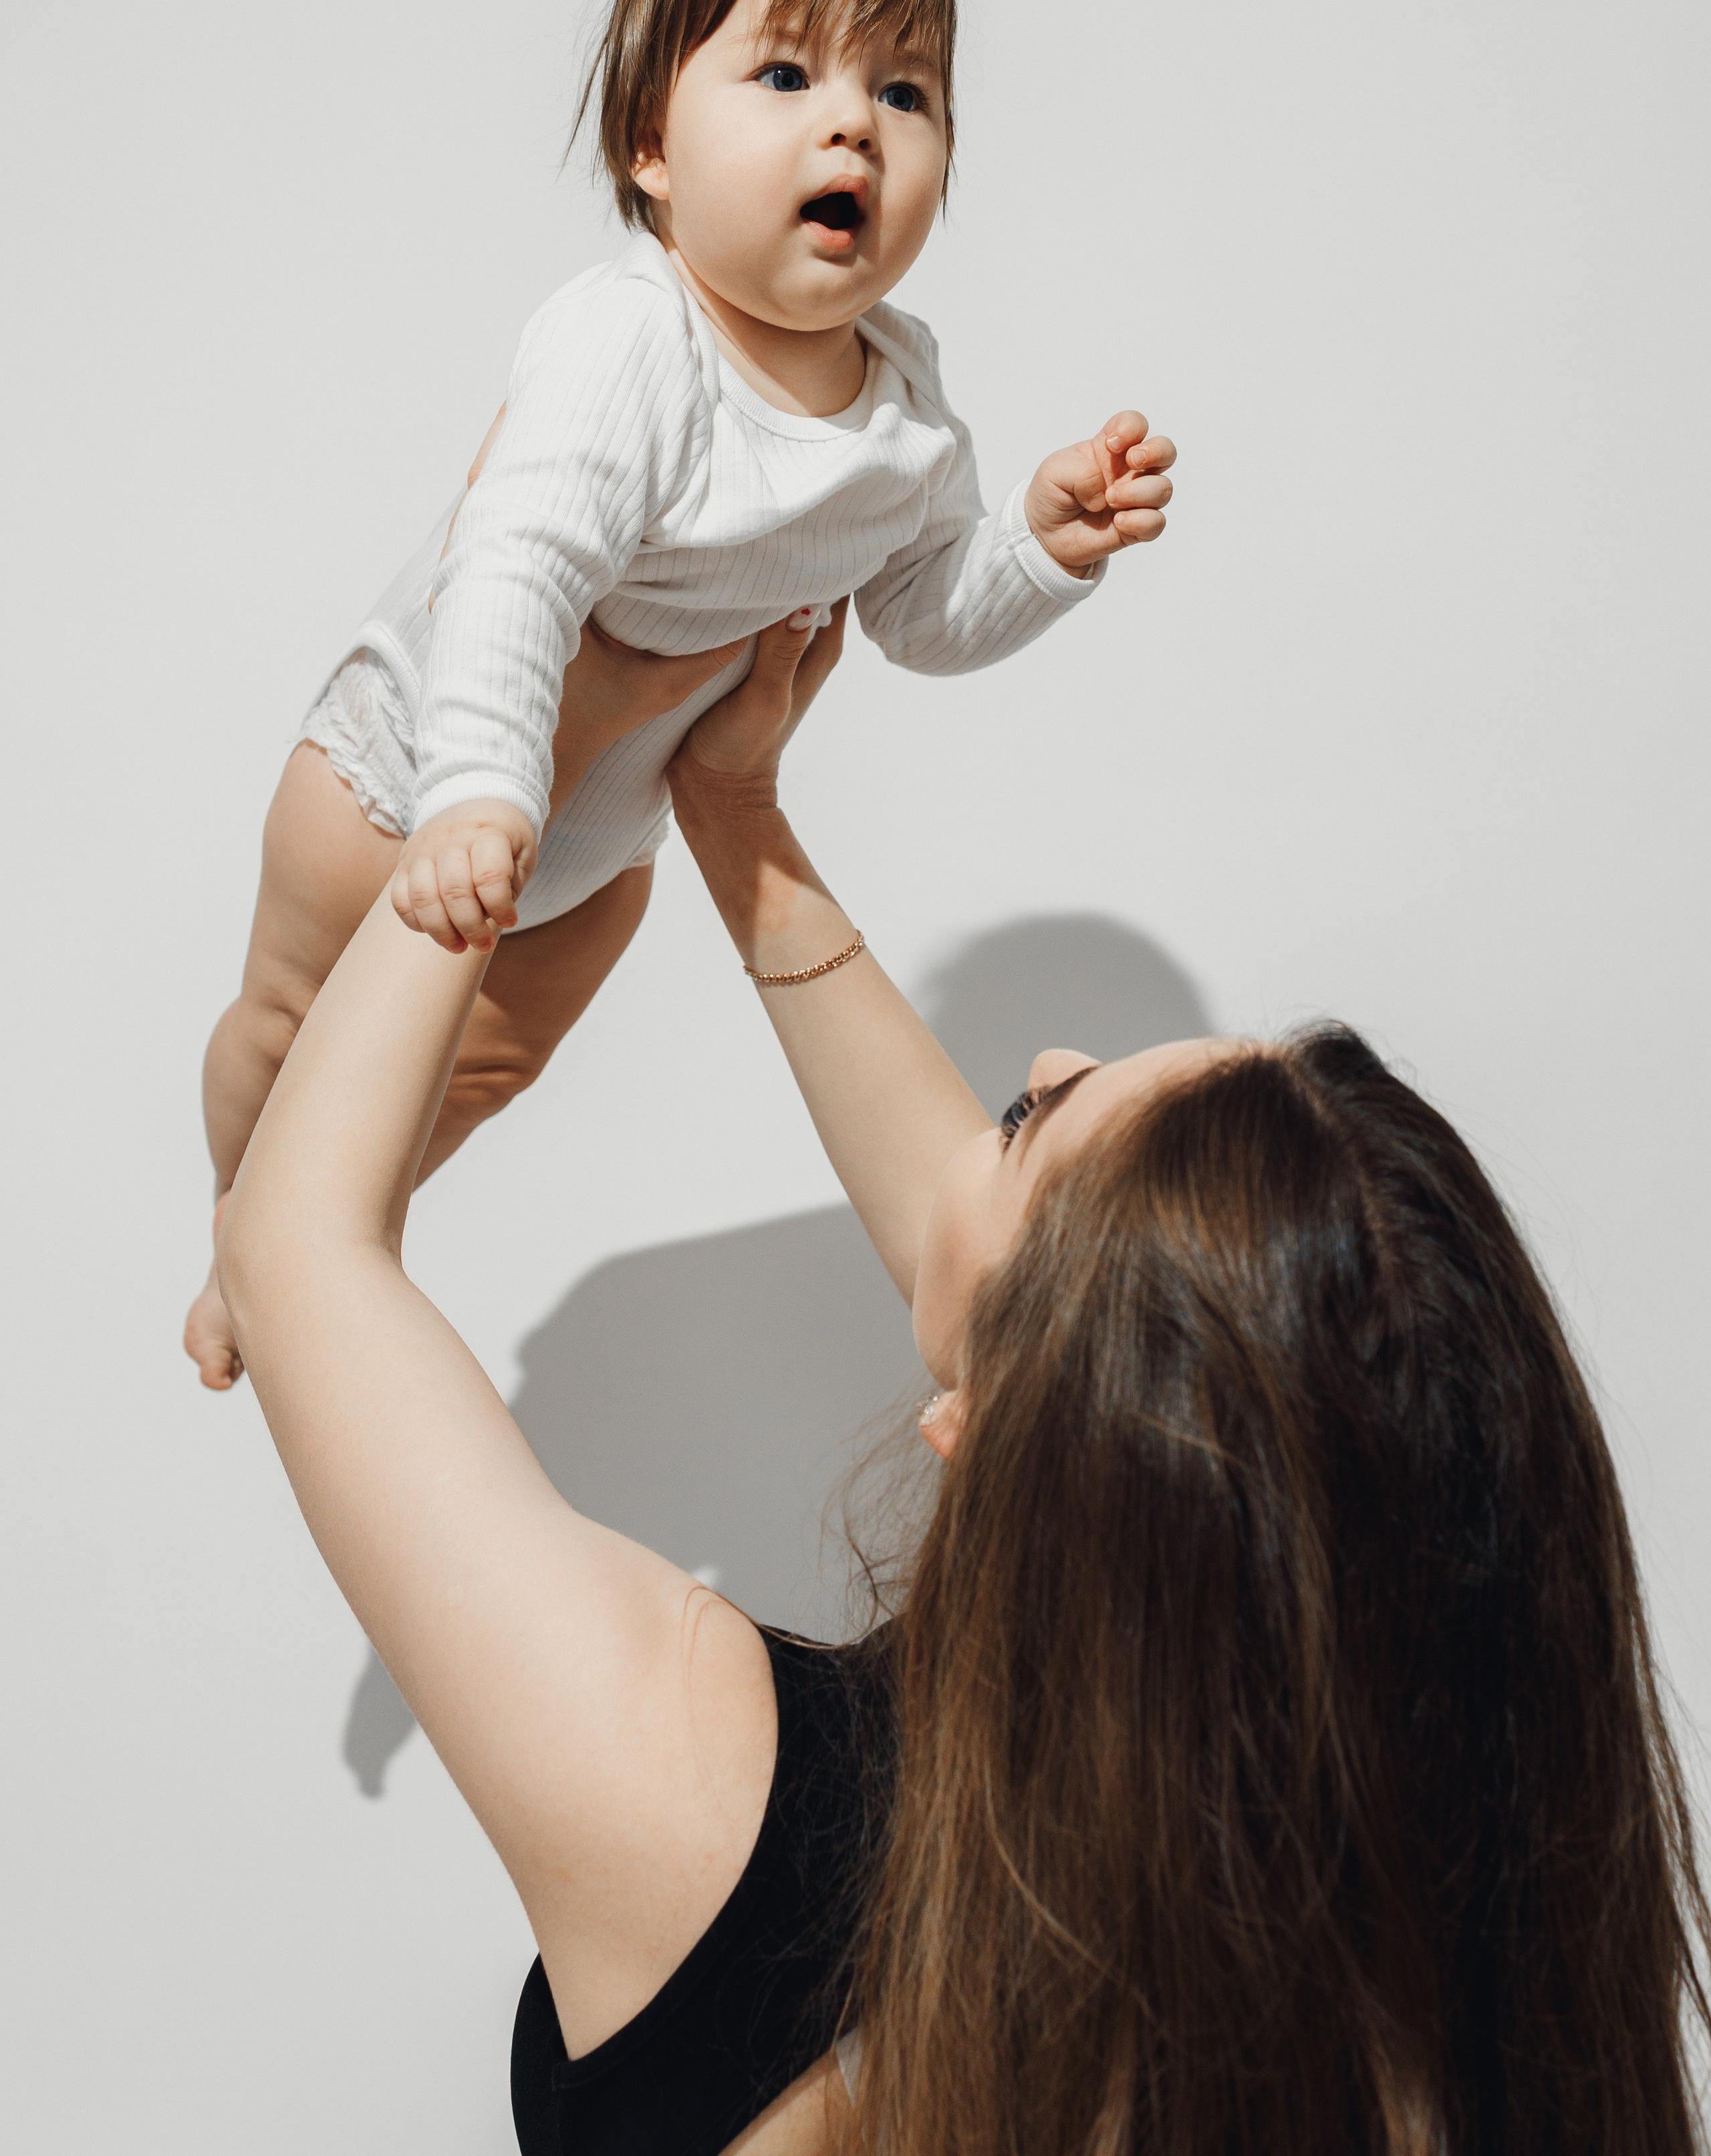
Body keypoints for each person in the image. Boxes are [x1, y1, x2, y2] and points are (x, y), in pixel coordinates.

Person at [218, 611, 1709, 2156]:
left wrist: (512, 744)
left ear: (985, 1432)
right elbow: (1055, 1320)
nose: (1048, 1052)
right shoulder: (1440, 1949)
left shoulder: (716, 1803)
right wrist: (739, 825)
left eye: (1021, 1115)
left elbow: (295, 1248)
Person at [187, 0, 1178, 1389]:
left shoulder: (904, 406)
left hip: (591, 855)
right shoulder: (632, 341)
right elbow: (514, 565)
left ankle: (310, 1240)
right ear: (651, 148)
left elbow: (920, 614)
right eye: (784, 73)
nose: (853, 120)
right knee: (285, 1030)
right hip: (402, 781)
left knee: (478, 1075)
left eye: (904, 93)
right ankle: (241, 1225)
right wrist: (475, 794)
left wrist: (1038, 553)